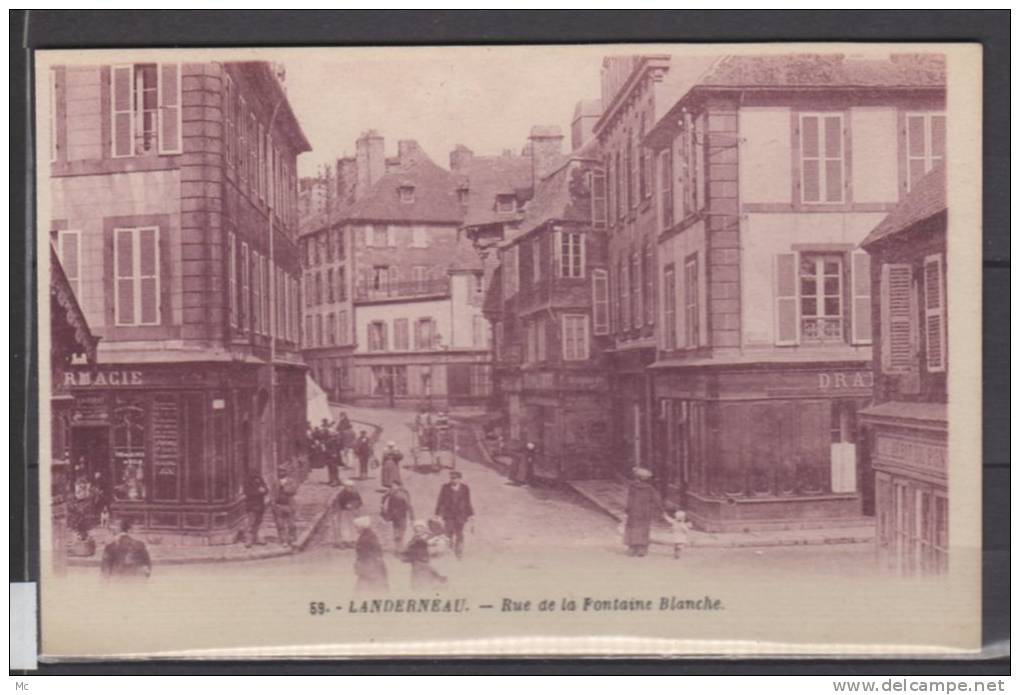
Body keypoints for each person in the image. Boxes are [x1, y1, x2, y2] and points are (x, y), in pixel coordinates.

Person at [623, 467, 669, 557]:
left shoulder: (632, 487)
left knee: (633, 528)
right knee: (643, 529)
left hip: (634, 511)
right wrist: (662, 511)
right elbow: (657, 500)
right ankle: (641, 549)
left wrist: (627, 510)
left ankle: (632, 548)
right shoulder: (650, 488)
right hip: (645, 512)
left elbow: (630, 499)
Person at [434, 471, 473, 558]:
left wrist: (471, 514)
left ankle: (459, 552)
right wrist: (437, 513)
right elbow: (440, 501)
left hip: (461, 515)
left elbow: (468, 502)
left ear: (459, 479)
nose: (453, 480)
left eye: (455, 478)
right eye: (451, 478)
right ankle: (448, 550)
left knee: (459, 534)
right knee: (448, 533)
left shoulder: (465, 488)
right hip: (449, 515)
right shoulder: (445, 487)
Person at [401, 520, 447, 589]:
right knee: (418, 573)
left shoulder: (428, 535)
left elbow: (434, 542)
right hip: (417, 558)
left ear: (424, 528)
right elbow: (410, 546)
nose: (418, 528)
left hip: (423, 557)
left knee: (428, 570)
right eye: (416, 527)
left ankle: (438, 579)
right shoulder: (415, 537)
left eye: (420, 527)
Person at [352, 516, 389, 593]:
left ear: (362, 527)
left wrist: (361, 564)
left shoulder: (367, 537)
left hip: (370, 567)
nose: (355, 529)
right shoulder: (368, 535)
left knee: (365, 589)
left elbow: (367, 553)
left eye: (356, 527)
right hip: (372, 566)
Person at [380, 480, 414, 548]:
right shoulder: (394, 492)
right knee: (398, 531)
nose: (392, 487)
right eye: (392, 486)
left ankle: (399, 547)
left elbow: (409, 505)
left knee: (399, 532)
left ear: (398, 486)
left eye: (393, 485)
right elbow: (383, 497)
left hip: (400, 515)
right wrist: (382, 505)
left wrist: (412, 516)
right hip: (397, 515)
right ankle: (399, 548)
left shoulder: (402, 493)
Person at [333, 479, 362, 548]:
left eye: (352, 487)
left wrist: (355, 505)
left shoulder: (355, 493)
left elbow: (360, 502)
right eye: (349, 487)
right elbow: (338, 503)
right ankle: (345, 541)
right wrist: (343, 507)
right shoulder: (341, 494)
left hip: (353, 512)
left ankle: (353, 540)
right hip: (344, 512)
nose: (351, 488)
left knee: (353, 526)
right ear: (345, 487)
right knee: (345, 526)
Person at [274, 467, 299, 548]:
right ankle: (283, 540)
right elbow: (272, 493)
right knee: (280, 524)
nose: (281, 473)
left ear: (286, 472)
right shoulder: (275, 482)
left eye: (283, 471)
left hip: (289, 505)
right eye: (279, 471)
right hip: (279, 505)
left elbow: (293, 490)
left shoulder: (291, 481)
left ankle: (292, 538)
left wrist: (284, 487)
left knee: (291, 524)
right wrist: (273, 504)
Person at [243, 470, 268, 547]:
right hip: (252, 506)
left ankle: (256, 538)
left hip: (260, 505)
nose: (256, 476)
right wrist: (259, 491)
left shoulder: (260, 479)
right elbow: (248, 492)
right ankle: (248, 540)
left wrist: (264, 490)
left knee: (258, 522)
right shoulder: (247, 482)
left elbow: (266, 489)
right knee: (251, 523)